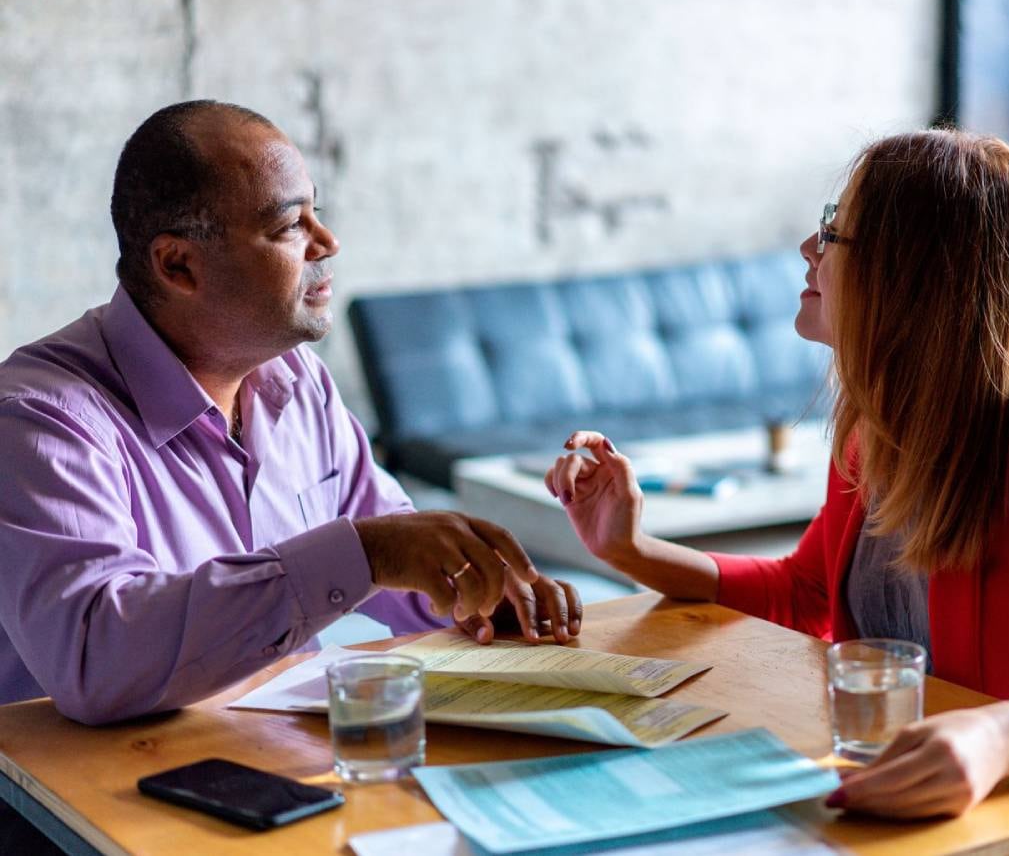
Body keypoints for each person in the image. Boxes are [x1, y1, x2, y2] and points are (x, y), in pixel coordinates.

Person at [545, 130, 1009, 821]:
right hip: (893, 804)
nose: (810, 248)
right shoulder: (880, 422)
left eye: (835, 231)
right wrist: (630, 549)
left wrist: (1004, 731)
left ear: (914, 273)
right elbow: (807, 592)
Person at [0, 100, 582, 729]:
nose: (328, 244)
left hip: (269, 756)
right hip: (74, 806)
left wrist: (477, 593)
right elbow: (97, 659)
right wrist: (366, 554)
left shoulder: (296, 382)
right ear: (178, 265)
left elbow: (391, 551)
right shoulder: (41, 422)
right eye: (288, 227)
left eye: (318, 214)